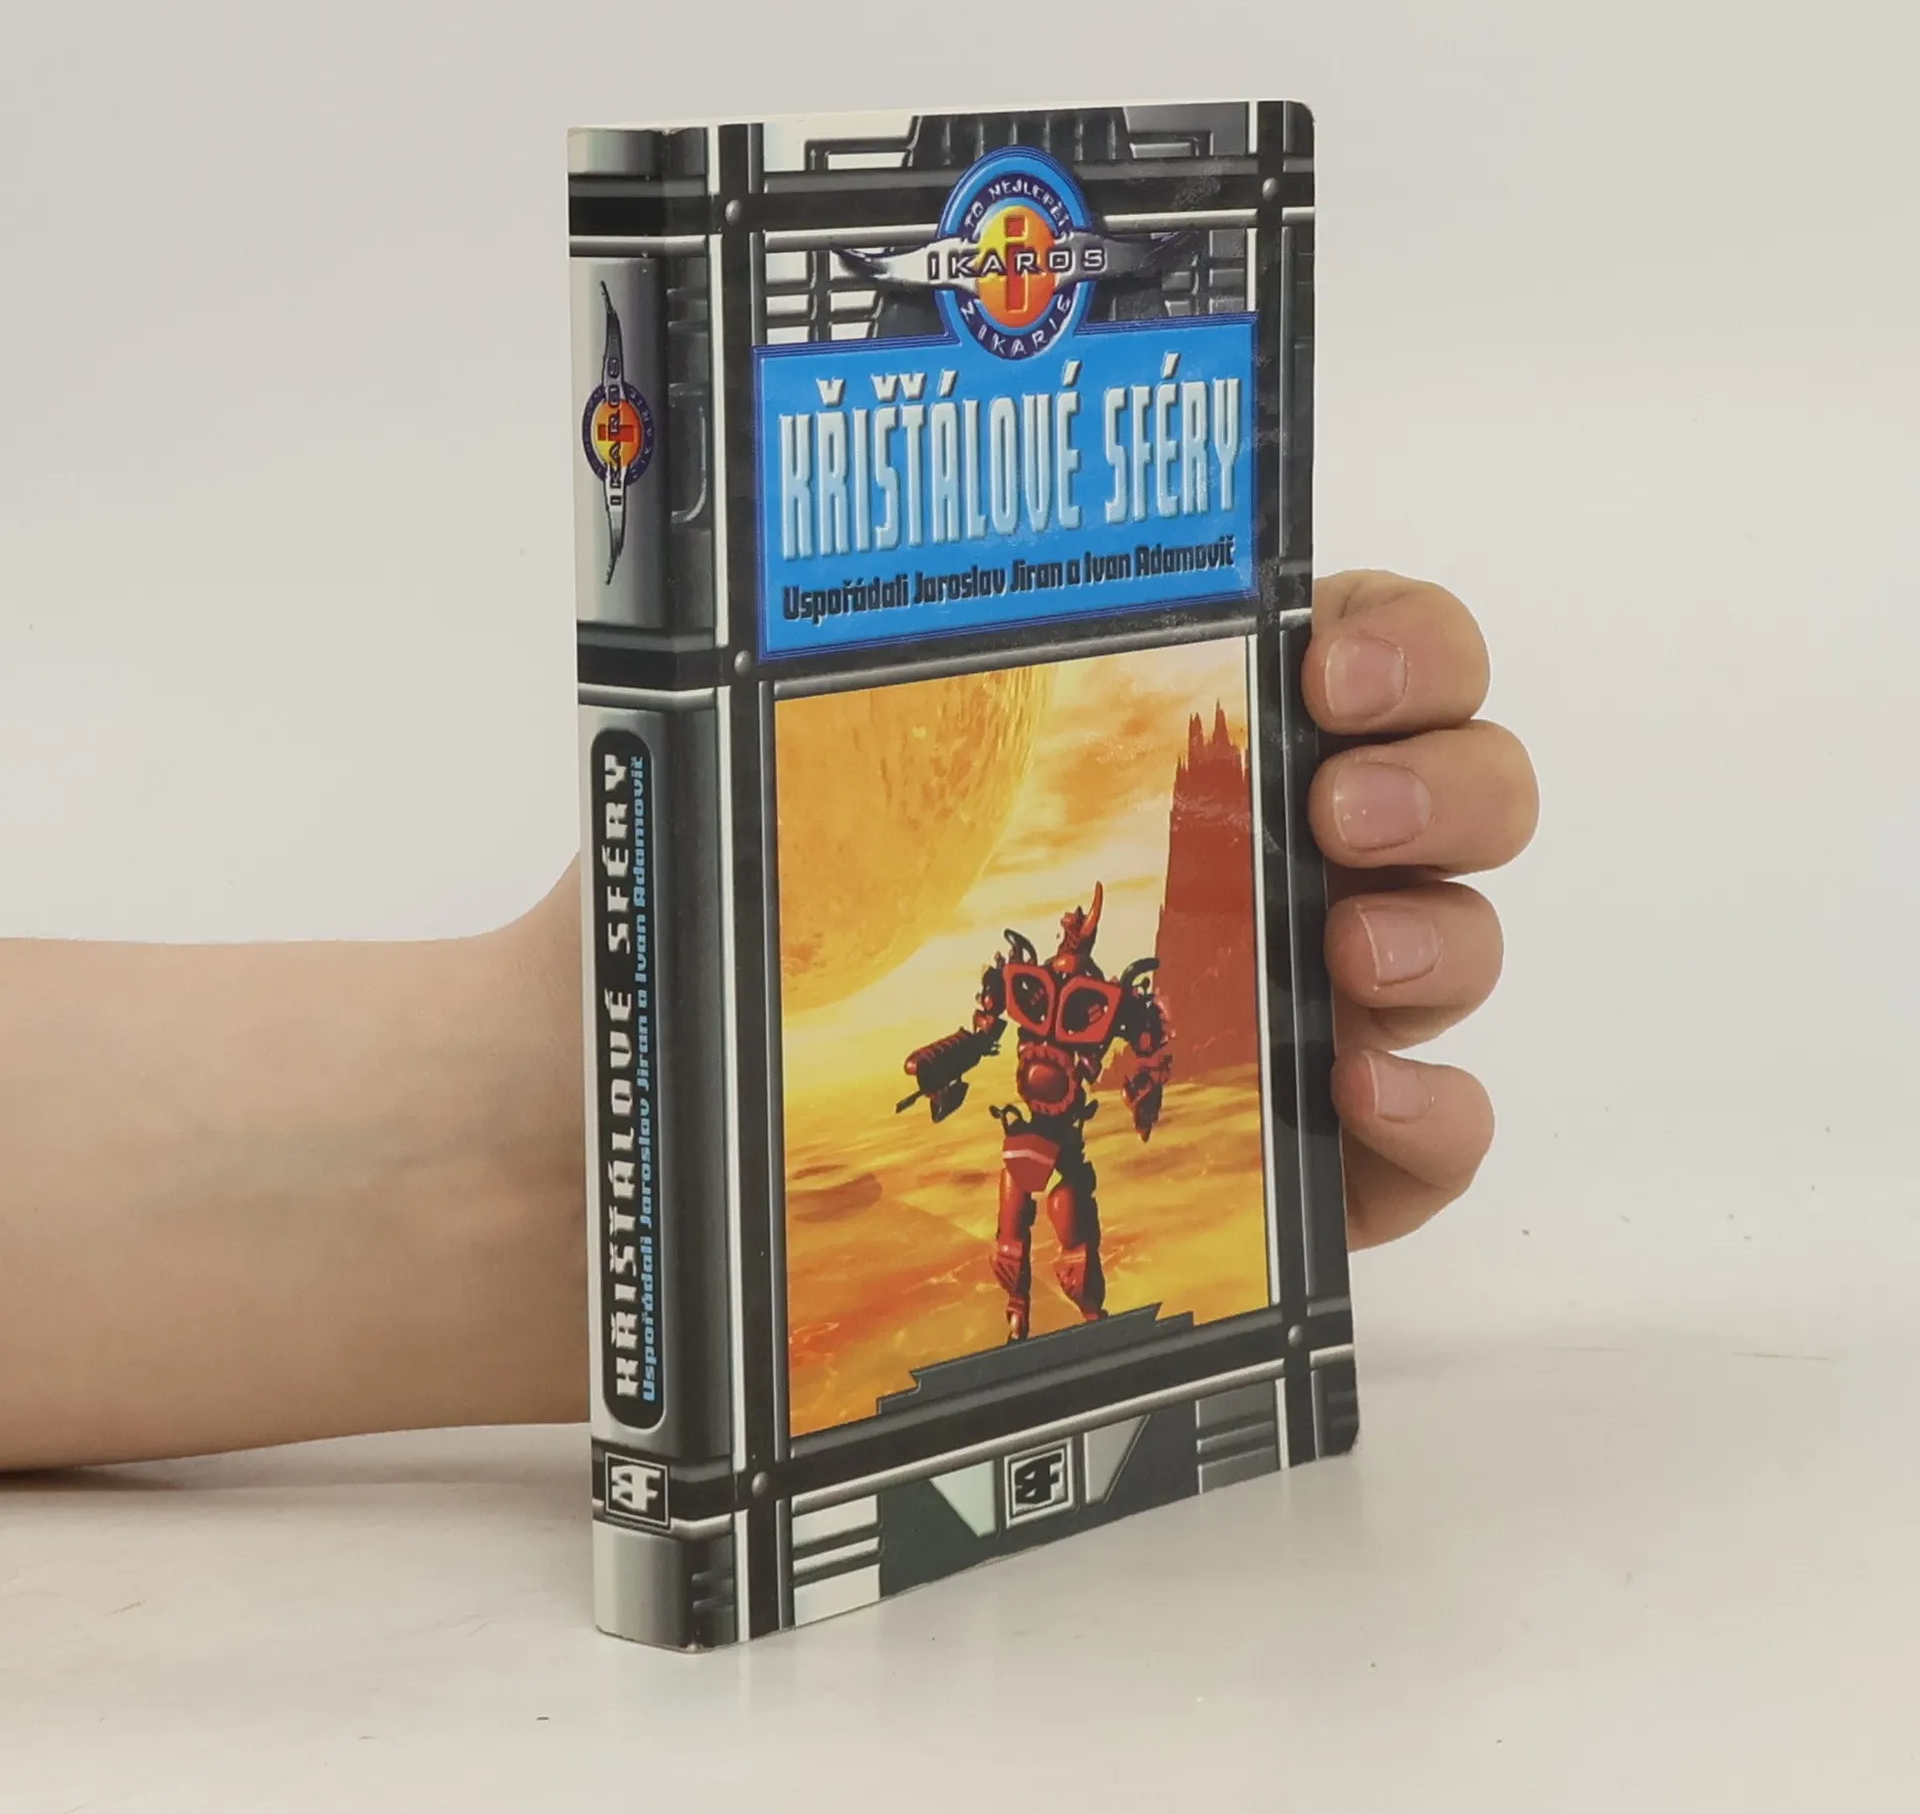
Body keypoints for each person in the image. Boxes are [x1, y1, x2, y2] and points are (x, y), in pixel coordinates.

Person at [0, 571, 1537, 1474]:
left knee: (1057, 1211)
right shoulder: (1033, 995)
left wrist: (597, 1118)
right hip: (1016, 1129)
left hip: (1016, 1132)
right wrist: (604, 1155)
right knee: (1036, 1210)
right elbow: (1007, 1025)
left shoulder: (1072, 988)